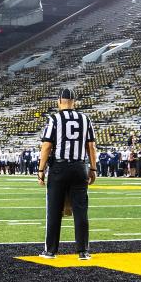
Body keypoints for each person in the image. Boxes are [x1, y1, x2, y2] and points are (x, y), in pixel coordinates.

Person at [37, 88, 98, 260]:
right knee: (80, 210)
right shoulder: (85, 119)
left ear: (59, 101)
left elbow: (47, 146)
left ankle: (51, 251)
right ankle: (83, 251)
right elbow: (91, 146)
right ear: (74, 102)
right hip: (80, 167)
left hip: (59, 168)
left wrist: (41, 169)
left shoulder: (54, 119)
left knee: (54, 209)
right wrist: (93, 168)